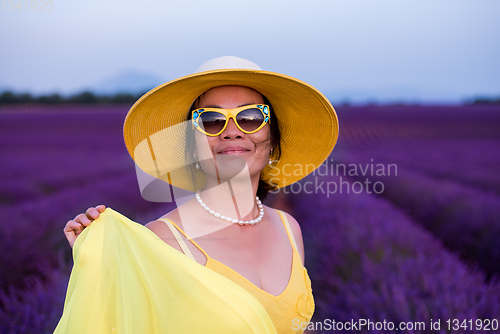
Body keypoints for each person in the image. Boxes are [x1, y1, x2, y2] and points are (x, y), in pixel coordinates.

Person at [56, 56, 339, 333]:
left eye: (251, 117)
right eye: (212, 120)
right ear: (192, 145)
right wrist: (102, 264)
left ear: (273, 140)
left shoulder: (289, 229)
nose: (232, 132)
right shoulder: (161, 241)